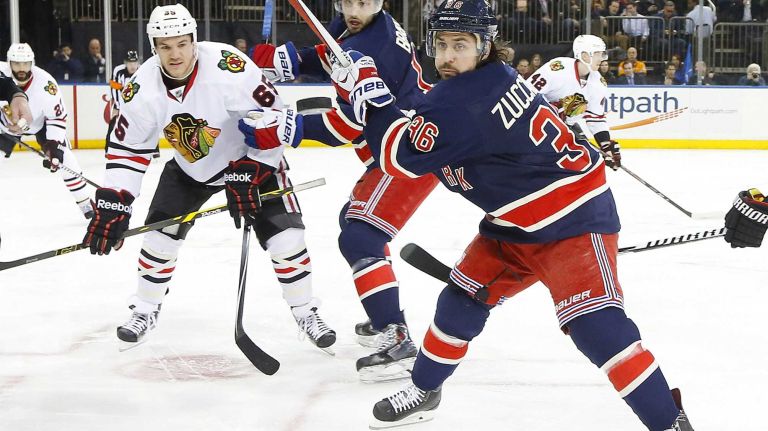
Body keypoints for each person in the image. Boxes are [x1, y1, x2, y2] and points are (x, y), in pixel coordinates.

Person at [326, 1, 695, 429]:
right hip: (515, 221)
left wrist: (368, 95)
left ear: (483, 45)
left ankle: (670, 423)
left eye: (459, 45)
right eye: (440, 44)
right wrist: (376, 98)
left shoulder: (466, 100)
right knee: (460, 302)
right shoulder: (483, 81)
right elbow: (426, 127)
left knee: (597, 327)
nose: (446, 57)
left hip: (572, 218)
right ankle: (426, 389)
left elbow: (397, 158)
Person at [82, 4, 336, 352]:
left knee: (287, 239)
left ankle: (306, 312)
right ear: (154, 46)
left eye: (182, 44)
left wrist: (254, 168)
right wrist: (116, 200)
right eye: (165, 46)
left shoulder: (228, 67)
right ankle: (144, 309)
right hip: (190, 169)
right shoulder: (141, 88)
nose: (175, 54)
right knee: (158, 240)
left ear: (194, 40)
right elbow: (128, 149)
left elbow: (273, 119)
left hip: (250, 165)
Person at [246, 0, 434, 382]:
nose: (354, 8)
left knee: (360, 235)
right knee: (357, 227)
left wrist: (286, 128)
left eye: (363, 2)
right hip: (394, 148)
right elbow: (330, 53)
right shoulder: (358, 26)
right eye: (348, 0)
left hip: (409, 151)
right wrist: (289, 61)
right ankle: (384, 312)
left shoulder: (375, 48)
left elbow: (346, 127)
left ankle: (396, 336)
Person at [0, 43, 94, 218]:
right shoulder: (1, 74)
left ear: (32, 63)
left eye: (26, 64)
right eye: (17, 64)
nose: (22, 69)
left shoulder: (46, 84)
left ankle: (85, 202)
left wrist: (53, 145)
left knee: (65, 159)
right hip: (5, 126)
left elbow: (57, 117)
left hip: (40, 124)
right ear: (8, 63)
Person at [528, 34, 622, 172]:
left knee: (584, 165)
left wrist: (606, 146)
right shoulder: (557, 68)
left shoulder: (598, 83)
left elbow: (595, 118)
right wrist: (552, 110)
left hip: (565, 128)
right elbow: (526, 95)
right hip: (534, 126)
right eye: (598, 54)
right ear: (585, 55)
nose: (602, 59)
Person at [105, 50, 157, 157]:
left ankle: (155, 149)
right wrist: (119, 107)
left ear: (138, 62)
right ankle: (108, 149)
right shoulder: (118, 71)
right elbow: (114, 88)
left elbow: (147, 90)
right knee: (113, 123)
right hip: (120, 103)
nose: (132, 65)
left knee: (150, 123)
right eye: (129, 62)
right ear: (125, 63)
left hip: (139, 104)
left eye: (134, 62)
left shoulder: (143, 71)